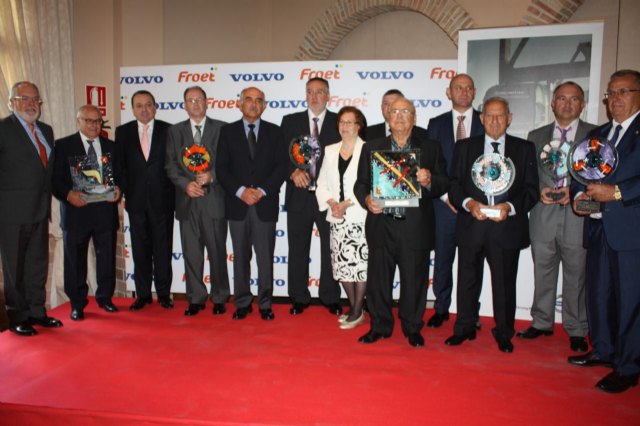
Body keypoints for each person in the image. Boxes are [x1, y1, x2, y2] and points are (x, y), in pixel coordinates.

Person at [445, 97, 538, 353]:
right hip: (472, 225)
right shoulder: (465, 147)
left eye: (500, 115)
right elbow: (454, 185)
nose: (495, 121)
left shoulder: (524, 148)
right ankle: (464, 327)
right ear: (481, 118)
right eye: (489, 115)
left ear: (509, 118)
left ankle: (504, 332)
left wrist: (509, 207)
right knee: (467, 281)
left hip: (506, 228)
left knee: (504, 285)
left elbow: (531, 190)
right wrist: (469, 204)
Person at [354, 97, 448, 347]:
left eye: (405, 111)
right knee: (378, 282)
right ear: (388, 116)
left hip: (414, 228)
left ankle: (412, 327)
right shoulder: (372, 147)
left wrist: (429, 180)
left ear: (414, 118)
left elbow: (444, 182)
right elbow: (360, 184)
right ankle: (379, 326)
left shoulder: (431, 148)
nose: (399, 116)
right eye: (395, 111)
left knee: (415, 282)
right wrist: (367, 199)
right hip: (381, 225)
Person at [569, 69, 640, 393]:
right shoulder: (599, 134)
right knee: (599, 294)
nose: (616, 99)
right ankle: (603, 349)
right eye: (611, 93)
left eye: (623, 91)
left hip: (630, 231)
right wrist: (577, 197)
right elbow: (581, 173)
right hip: (597, 228)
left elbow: (621, 185)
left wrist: (618, 192)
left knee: (630, 301)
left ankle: (628, 366)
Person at [517, 82, 595, 352]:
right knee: (543, 271)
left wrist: (574, 191)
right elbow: (529, 174)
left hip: (578, 215)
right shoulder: (535, 135)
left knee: (577, 275)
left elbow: (601, 174)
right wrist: (539, 190)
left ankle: (577, 328)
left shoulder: (595, 134)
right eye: (562, 98)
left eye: (574, 99)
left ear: (582, 104)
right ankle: (541, 322)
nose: (567, 104)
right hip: (543, 214)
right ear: (552, 103)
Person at [216, 87, 287, 320]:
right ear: (240, 104)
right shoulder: (227, 132)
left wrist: (262, 191)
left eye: (258, 100)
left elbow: (281, 167)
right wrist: (241, 192)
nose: (253, 104)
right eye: (248, 99)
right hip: (237, 206)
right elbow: (221, 169)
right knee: (240, 257)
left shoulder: (275, 132)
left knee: (265, 259)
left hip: (265, 205)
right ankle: (242, 303)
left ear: (264, 106)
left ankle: (265, 304)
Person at [0, 81, 62, 335]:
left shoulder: (46, 130)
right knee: (14, 269)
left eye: (35, 99)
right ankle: (18, 317)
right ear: (12, 102)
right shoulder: (3, 129)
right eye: (24, 98)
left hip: (40, 211)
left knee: (37, 265)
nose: (31, 104)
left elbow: (47, 171)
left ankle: (37, 312)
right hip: (11, 214)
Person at [425, 73, 484, 328]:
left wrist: (471, 200)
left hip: (475, 206)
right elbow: (430, 165)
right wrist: (445, 195)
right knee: (443, 259)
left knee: (472, 262)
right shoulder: (436, 124)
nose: (464, 91)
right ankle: (441, 308)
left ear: (474, 92)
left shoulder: (486, 121)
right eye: (458, 87)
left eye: (468, 87)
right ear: (449, 92)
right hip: (444, 205)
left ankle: (470, 312)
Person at [165, 86, 230, 317]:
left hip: (214, 201)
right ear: (184, 104)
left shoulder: (222, 129)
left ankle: (220, 297)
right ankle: (195, 298)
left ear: (207, 102)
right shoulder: (175, 131)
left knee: (217, 253)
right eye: (191, 100)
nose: (195, 103)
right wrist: (185, 184)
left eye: (199, 99)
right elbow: (170, 164)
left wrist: (213, 175)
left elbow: (229, 163)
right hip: (187, 202)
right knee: (191, 253)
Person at [52, 105, 121, 321]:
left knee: (106, 259)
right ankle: (77, 304)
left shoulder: (112, 146)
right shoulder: (63, 146)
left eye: (97, 121)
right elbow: (54, 180)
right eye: (88, 120)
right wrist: (68, 195)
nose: (93, 125)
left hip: (104, 211)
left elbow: (122, 174)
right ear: (78, 121)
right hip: (76, 212)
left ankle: (105, 298)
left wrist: (119, 189)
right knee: (75, 261)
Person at [281, 77, 342, 316]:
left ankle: (330, 296)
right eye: (309, 92)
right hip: (299, 196)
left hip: (328, 198)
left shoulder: (340, 122)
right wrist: (292, 171)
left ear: (328, 95)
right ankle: (298, 297)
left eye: (319, 92)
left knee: (330, 249)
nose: (314, 96)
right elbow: (279, 155)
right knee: (297, 249)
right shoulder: (290, 121)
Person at [115, 90, 175, 311]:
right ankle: (142, 295)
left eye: (148, 104)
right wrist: (123, 191)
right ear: (132, 109)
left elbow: (174, 166)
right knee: (140, 251)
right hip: (136, 201)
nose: (144, 109)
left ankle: (163, 294)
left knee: (163, 250)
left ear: (155, 107)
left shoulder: (169, 130)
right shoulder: (123, 132)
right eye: (139, 105)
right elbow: (120, 166)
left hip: (163, 201)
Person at [316, 106, 369, 329]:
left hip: (360, 217)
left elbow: (369, 184)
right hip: (337, 218)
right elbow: (321, 183)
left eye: (350, 122)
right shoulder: (330, 150)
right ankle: (356, 307)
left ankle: (356, 310)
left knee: (360, 266)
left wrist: (346, 204)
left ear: (359, 126)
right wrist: (332, 203)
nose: (345, 126)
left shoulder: (368, 149)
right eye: (341, 122)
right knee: (342, 266)